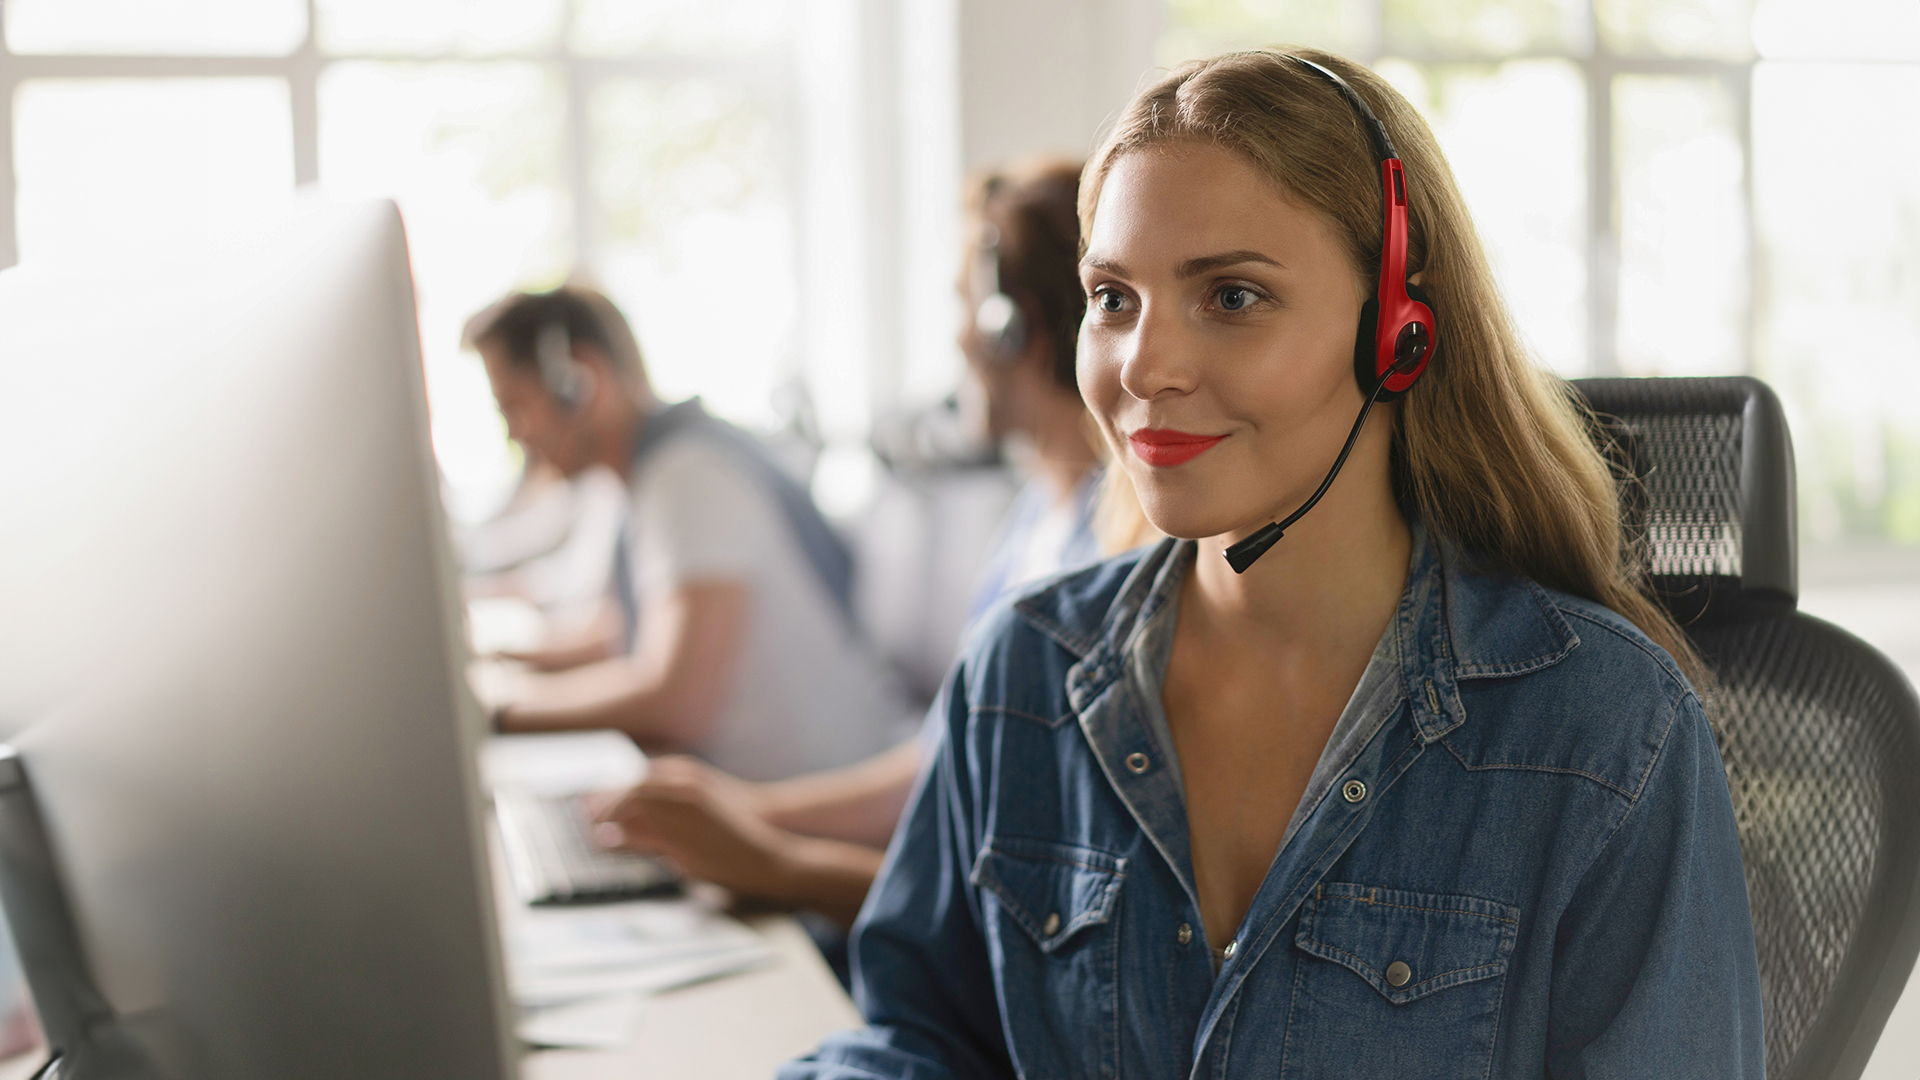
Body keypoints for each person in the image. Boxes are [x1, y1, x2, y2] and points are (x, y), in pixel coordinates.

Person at [782, 48, 1763, 1079]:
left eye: (1233, 297)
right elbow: (917, 1039)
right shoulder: (1020, 680)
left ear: (1399, 329)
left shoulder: (1605, 731)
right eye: (1113, 297)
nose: (1144, 366)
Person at [592, 160, 1133, 930]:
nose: (954, 336)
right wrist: (744, 813)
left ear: (1014, 328)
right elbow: (944, 771)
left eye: (962, 306)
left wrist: (780, 864)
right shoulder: (1032, 521)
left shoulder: (1104, 556)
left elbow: (1032, 902)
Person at [468, 286, 911, 782]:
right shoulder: (662, 467)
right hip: (761, 798)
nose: (515, 434)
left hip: (800, 805)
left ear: (578, 382)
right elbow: (620, 631)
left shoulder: (687, 478)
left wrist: (495, 713)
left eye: (513, 407)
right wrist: (499, 664)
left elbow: (677, 701)